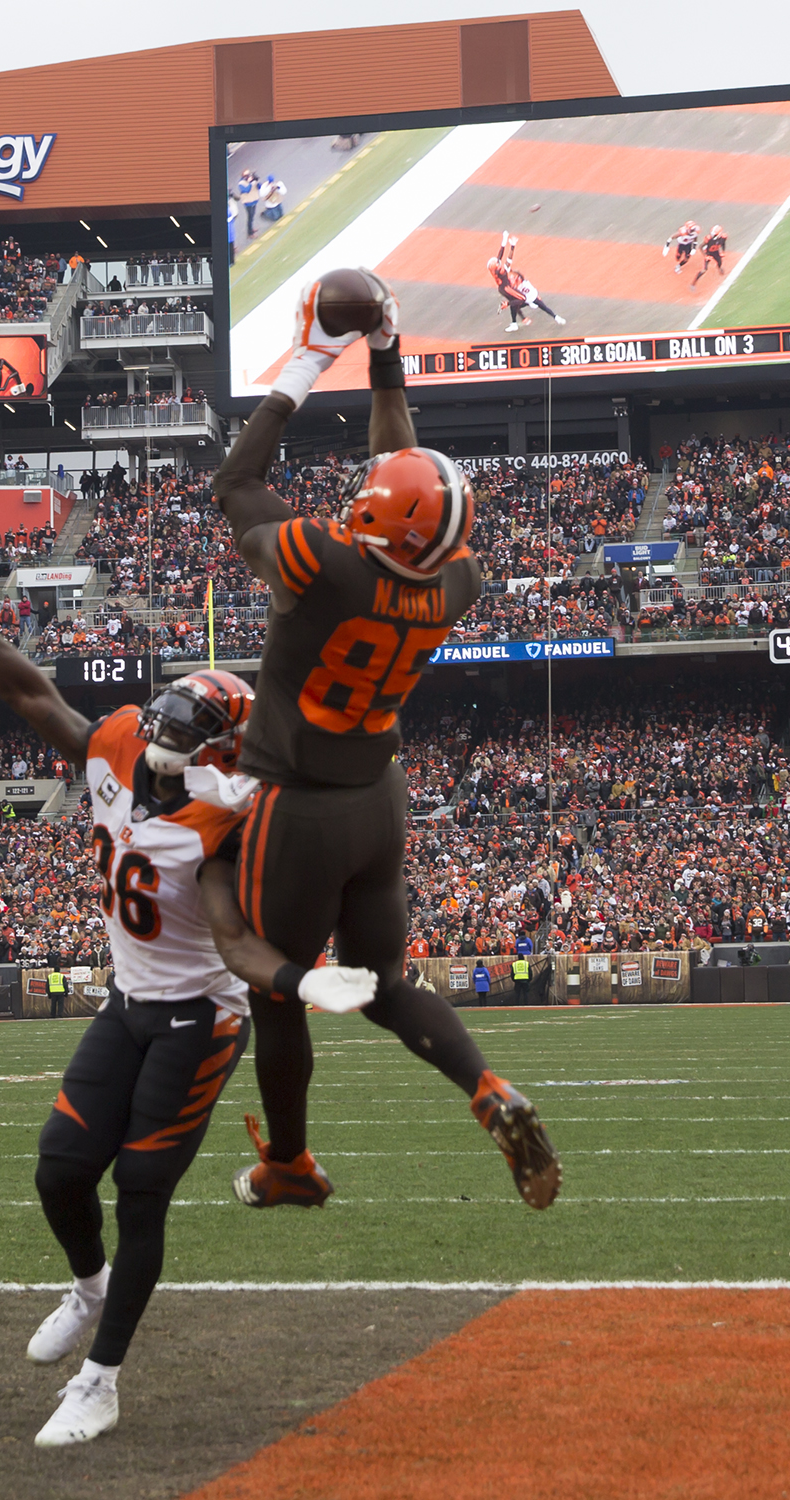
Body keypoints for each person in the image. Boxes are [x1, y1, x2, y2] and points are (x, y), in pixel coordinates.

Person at [0, 575, 374, 1448]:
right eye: (166, 714)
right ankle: (90, 1291)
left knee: (141, 1192)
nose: (163, 733)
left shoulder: (227, 821)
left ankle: (100, 1382)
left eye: (187, 728)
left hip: (200, 1020)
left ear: (221, 750)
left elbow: (230, 937)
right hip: (126, 1003)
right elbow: (33, 694)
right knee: (59, 1170)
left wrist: (301, 982)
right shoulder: (116, 748)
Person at [210, 271, 560, 1214]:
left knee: (281, 993)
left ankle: (290, 1163)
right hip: (379, 803)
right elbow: (406, 479)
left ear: (379, 517)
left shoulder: (322, 565)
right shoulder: (454, 586)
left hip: (298, 807)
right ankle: (488, 1088)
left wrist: (311, 361)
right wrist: (388, 357)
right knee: (388, 980)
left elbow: (234, 483)